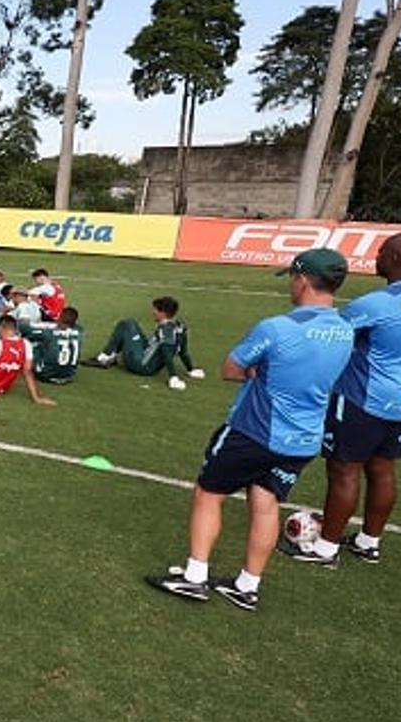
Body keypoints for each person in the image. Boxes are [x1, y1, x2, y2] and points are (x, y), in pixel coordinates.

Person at [146, 248, 354, 612]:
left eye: (292, 277)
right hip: (303, 438)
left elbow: (230, 369)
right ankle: (247, 585)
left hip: (254, 431)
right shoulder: (345, 329)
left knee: (208, 493)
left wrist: (257, 371)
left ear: (302, 280)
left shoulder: (278, 327)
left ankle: (194, 577)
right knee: (265, 503)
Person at [282, 232, 401, 568]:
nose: (377, 255)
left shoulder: (378, 304)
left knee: (344, 470)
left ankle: (325, 548)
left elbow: (333, 335)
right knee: (383, 469)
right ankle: (368, 542)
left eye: (383, 251)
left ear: (397, 259)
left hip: (364, 398)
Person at [92, 296, 205, 387]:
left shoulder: (165, 331)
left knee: (127, 324)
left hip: (141, 365)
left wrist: (173, 377)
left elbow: (167, 355)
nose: (153, 312)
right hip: (149, 360)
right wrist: (190, 369)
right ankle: (110, 355)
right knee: (132, 325)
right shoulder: (181, 326)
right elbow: (183, 351)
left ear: (163, 313)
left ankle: (104, 357)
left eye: (155, 310)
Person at [0, 315, 56, 407]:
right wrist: (36, 398)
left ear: (0, 327)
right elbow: (27, 371)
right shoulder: (26, 344)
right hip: (3, 387)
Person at [21, 307, 84, 386]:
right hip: (68, 375)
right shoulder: (80, 332)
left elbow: (24, 328)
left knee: (31, 343)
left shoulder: (49, 332)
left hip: (45, 374)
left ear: (60, 317)